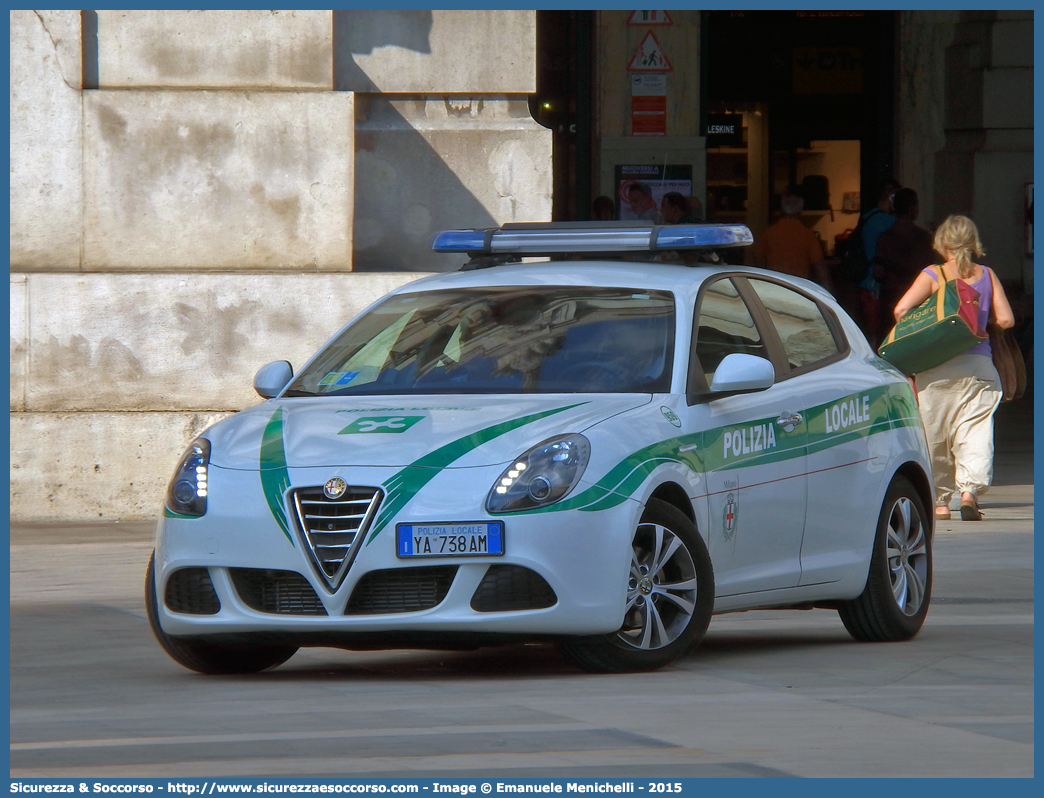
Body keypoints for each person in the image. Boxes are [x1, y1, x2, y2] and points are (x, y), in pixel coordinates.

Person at [893, 215, 1015, 522]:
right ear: (972, 242)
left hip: (936, 365)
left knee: (935, 432)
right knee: (975, 430)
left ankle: (940, 502)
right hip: (979, 365)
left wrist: (923, 329)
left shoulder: (934, 274)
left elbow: (901, 309)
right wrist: (981, 323)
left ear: (942, 242)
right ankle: (969, 493)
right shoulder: (987, 274)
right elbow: (1007, 320)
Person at [873, 187, 938, 338]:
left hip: (891, 298)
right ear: (912, 208)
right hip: (920, 301)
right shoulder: (923, 238)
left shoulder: (884, 238)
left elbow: (877, 271)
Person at [856, 178, 901, 345]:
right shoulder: (888, 222)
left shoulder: (867, 217)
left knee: (870, 334)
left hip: (864, 285)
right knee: (879, 337)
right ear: (891, 197)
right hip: (877, 287)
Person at [751, 191, 830, 285]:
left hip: (774, 288)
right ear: (801, 209)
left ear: (781, 209)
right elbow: (821, 272)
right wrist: (832, 296)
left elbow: (757, 264)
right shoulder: (808, 236)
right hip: (798, 290)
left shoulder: (768, 233)